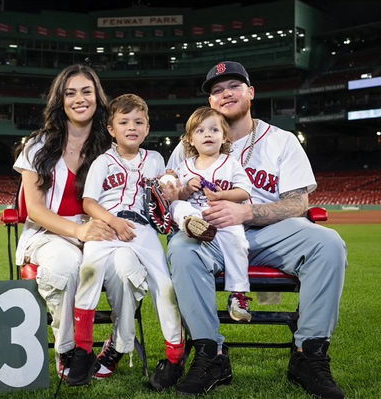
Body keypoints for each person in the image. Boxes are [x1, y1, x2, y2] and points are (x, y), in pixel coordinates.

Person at [166, 61, 347, 398]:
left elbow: (298, 204)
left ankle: (308, 355)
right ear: (210, 103)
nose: (225, 94)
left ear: (250, 93)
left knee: (328, 243)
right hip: (212, 236)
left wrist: (247, 212)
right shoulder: (188, 146)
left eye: (233, 86)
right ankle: (211, 355)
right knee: (180, 248)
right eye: (217, 91)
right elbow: (169, 194)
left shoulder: (282, 140)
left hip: (270, 231)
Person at [67, 94, 185, 390]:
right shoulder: (102, 161)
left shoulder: (156, 159)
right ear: (111, 129)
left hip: (142, 229)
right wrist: (113, 221)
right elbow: (89, 203)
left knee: (165, 284)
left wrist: (170, 184)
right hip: (107, 226)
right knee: (89, 274)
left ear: (147, 128)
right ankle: (83, 350)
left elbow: (165, 190)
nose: (131, 127)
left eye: (138, 122)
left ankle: (174, 356)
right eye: (124, 122)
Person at [13, 64, 115, 379]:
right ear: (60, 100)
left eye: (86, 91)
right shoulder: (38, 145)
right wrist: (77, 230)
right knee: (66, 265)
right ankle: (68, 349)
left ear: (98, 97)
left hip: (98, 232)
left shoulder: (111, 146)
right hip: (50, 232)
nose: (79, 99)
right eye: (70, 93)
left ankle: (117, 346)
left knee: (128, 268)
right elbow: (35, 210)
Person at [164, 106, 253, 322]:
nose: (208, 135)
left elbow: (244, 191)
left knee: (239, 242)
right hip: (195, 216)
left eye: (214, 130)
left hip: (222, 218)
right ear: (190, 140)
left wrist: (223, 194)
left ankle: (238, 294)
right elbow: (176, 196)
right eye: (200, 131)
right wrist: (186, 189)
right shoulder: (184, 167)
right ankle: (190, 224)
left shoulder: (231, 164)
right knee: (176, 205)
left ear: (224, 137)